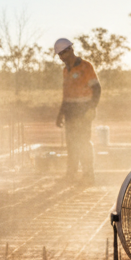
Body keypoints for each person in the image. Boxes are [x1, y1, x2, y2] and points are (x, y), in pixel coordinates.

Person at [54, 38, 100, 186]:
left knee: (83, 142)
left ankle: (88, 175)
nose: (61, 58)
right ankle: (71, 174)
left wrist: (92, 108)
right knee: (71, 143)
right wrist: (61, 113)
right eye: (59, 55)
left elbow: (97, 89)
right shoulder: (65, 71)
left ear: (70, 50)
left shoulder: (85, 67)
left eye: (63, 54)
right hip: (70, 111)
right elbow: (66, 95)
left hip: (84, 110)